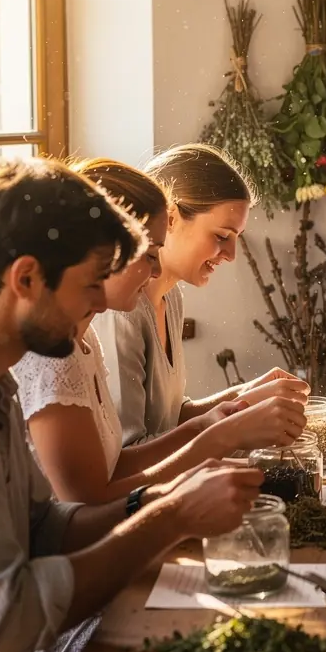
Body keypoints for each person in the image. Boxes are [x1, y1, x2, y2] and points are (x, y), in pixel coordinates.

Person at [0, 157, 263, 652]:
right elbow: (9, 623)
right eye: (93, 282)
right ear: (26, 278)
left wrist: (152, 503)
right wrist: (172, 516)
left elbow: (42, 527)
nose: (104, 300)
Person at [14, 159, 303, 507]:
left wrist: (232, 408)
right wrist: (216, 439)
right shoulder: (65, 347)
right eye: (148, 254)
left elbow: (120, 461)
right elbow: (88, 501)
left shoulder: (88, 339)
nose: (154, 270)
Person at [96, 144, 308, 446]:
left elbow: (171, 418)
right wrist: (234, 429)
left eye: (236, 239)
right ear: (170, 218)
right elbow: (128, 451)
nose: (231, 255)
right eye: (222, 236)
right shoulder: (122, 312)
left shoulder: (171, 299)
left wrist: (246, 396)